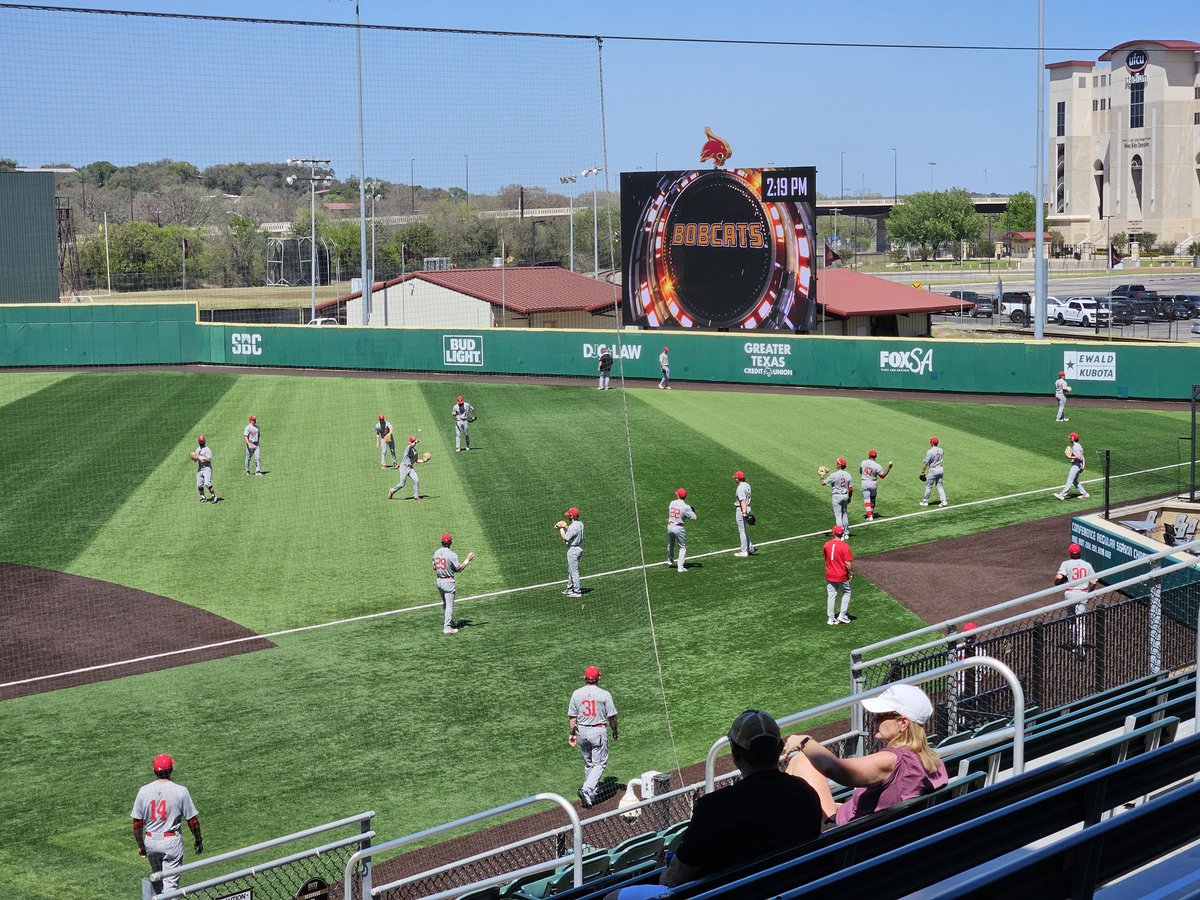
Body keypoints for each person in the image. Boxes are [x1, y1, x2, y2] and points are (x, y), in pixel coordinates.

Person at [604, 710, 821, 899]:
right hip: (794, 888)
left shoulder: (714, 807)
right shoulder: (805, 792)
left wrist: (666, 875)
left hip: (726, 893)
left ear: (735, 755)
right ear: (780, 747)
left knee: (612, 897)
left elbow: (674, 880)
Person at [783, 683, 947, 826]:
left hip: (845, 837)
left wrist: (804, 741)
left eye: (881, 715)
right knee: (803, 761)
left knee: (802, 761)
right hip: (881, 833)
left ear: (903, 723)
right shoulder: (932, 759)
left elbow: (836, 770)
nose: (874, 719)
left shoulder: (892, 760)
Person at [131, 754, 202, 896]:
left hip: (151, 841)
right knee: (171, 887)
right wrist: (198, 840)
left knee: (157, 881)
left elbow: (137, 824)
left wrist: (141, 846)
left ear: (154, 770)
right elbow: (192, 821)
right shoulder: (181, 791)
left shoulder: (143, 791)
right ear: (171, 769)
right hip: (171, 843)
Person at [568, 665, 619, 808]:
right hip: (597, 731)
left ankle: (593, 792)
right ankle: (587, 789)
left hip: (581, 732)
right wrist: (615, 731)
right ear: (599, 678)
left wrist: (572, 734)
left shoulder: (576, 693)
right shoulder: (604, 694)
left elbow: (572, 717)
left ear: (584, 678)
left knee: (589, 763)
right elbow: (612, 717)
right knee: (600, 763)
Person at [1055, 542, 1099, 653]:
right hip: (1082, 594)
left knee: (1071, 618)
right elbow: (1093, 583)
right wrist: (1089, 593)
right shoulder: (1087, 565)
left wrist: (1057, 582)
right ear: (1080, 553)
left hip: (1070, 594)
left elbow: (1059, 577)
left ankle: (1074, 644)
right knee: (1081, 620)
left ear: (1070, 553)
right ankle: (1080, 645)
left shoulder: (1066, 563)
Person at [432, 532, 475, 635]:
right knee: (449, 605)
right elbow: (459, 569)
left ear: (442, 542)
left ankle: (449, 622)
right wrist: (467, 560)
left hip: (439, 581)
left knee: (445, 603)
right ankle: (447, 627)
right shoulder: (452, 554)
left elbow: (434, 567)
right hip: (448, 582)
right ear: (450, 542)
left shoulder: (436, 553)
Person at [823, 525, 854, 625]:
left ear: (833, 533)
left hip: (830, 574)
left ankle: (831, 618)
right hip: (841, 575)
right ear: (842, 534)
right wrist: (851, 572)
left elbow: (826, 558)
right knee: (847, 592)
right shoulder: (845, 546)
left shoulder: (826, 545)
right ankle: (842, 615)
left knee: (831, 595)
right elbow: (847, 563)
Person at [667, 488, 697, 573]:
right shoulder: (686, 507)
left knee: (671, 543)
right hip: (678, 528)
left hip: (670, 525)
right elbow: (694, 518)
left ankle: (670, 560)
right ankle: (680, 567)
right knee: (682, 547)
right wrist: (690, 512)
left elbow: (669, 512)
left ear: (678, 495)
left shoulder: (672, 502)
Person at [1054, 431, 1090, 501]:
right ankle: (1085, 494)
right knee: (1075, 481)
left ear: (1073, 439)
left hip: (1076, 466)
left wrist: (1070, 457)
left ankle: (1062, 495)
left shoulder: (1076, 447)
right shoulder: (1078, 445)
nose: (1069, 438)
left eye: (1071, 437)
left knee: (1070, 480)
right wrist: (1083, 465)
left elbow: (1079, 457)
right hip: (1078, 465)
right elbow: (1082, 455)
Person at [557, 507, 584, 597]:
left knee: (574, 571)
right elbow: (573, 532)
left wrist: (561, 529)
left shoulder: (573, 527)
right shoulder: (580, 524)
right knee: (571, 570)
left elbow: (566, 538)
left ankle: (576, 591)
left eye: (569, 515)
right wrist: (566, 527)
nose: (568, 516)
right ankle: (569, 589)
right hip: (579, 548)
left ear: (572, 516)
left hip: (573, 550)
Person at [822, 458, 854, 535]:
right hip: (845, 496)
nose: (836, 464)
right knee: (845, 514)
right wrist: (849, 498)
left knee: (838, 516)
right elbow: (851, 489)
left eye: (837, 463)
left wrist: (821, 476)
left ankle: (840, 532)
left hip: (836, 497)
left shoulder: (834, 475)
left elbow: (823, 483)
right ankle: (846, 532)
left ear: (839, 465)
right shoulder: (848, 475)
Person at [387, 436, 424, 501]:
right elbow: (411, 446)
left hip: (410, 468)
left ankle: (416, 496)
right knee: (402, 484)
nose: (414, 443)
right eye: (412, 442)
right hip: (403, 468)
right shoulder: (408, 448)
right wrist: (415, 442)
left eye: (414, 442)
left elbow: (417, 460)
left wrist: (424, 460)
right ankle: (392, 490)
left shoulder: (415, 451)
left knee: (416, 480)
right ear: (409, 442)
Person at [859, 450, 893, 521]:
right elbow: (882, 476)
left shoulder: (863, 462)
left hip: (865, 482)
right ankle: (871, 513)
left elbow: (860, 471)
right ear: (875, 456)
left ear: (869, 455)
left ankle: (869, 516)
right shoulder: (877, 466)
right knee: (873, 498)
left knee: (866, 500)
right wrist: (889, 467)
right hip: (873, 483)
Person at [732, 470, 755, 557]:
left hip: (742, 509)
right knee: (744, 530)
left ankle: (744, 551)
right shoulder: (747, 485)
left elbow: (743, 501)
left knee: (741, 531)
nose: (735, 479)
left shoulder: (740, 488)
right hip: (748, 507)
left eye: (735, 477)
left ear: (738, 478)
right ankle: (750, 548)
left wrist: (744, 512)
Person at [919, 436, 947, 508]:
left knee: (929, 486)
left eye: (930, 441)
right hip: (940, 469)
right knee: (939, 486)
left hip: (933, 470)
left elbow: (926, 463)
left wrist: (922, 472)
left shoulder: (930, 451)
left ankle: (925, 501)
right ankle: (944, 501)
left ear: (932, 443)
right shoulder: (941, 450)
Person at [192, 435, 215, 503]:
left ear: (204, 442)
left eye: (202, 441)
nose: (201, 442)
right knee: (199, 484)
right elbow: (196, 460)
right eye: (200, 441)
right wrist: (193, 457)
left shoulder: (207, 450)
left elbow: (209, 459)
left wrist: (200, 457)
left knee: (207, 483)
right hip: (200, 469)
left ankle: (213, 496)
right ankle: (203, 497)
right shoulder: (197, 449)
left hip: (207, 468)